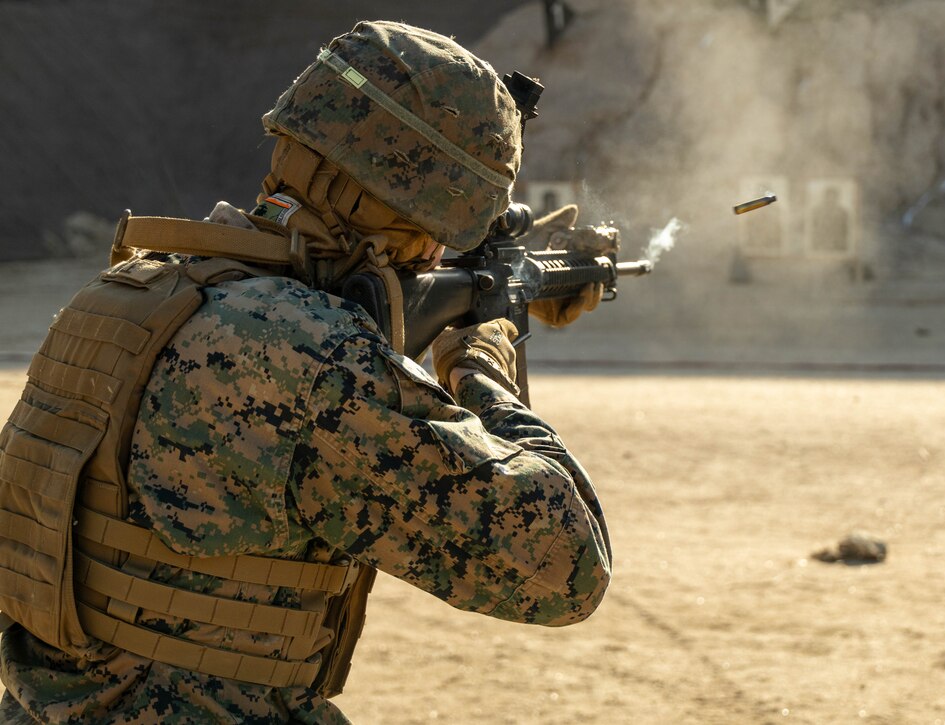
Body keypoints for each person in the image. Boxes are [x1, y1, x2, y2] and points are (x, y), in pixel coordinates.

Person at [0, 21, 610, 723]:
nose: (436, 257)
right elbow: (567, 567)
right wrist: (482, 371)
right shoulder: (314, 360)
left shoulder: (120, 299)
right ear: (407, 206)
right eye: (436, 237)